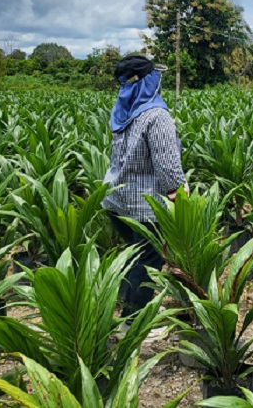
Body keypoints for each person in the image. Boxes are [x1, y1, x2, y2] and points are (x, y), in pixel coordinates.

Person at [102, 53, 188, 326]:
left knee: (133, 255)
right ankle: (133, 322)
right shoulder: (156, 115)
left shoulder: (122, 111)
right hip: (145, 207)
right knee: (148, 260)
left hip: (116, 200)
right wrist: (179, 196)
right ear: (150, 81)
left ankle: (124, 308)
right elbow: (167, 167)